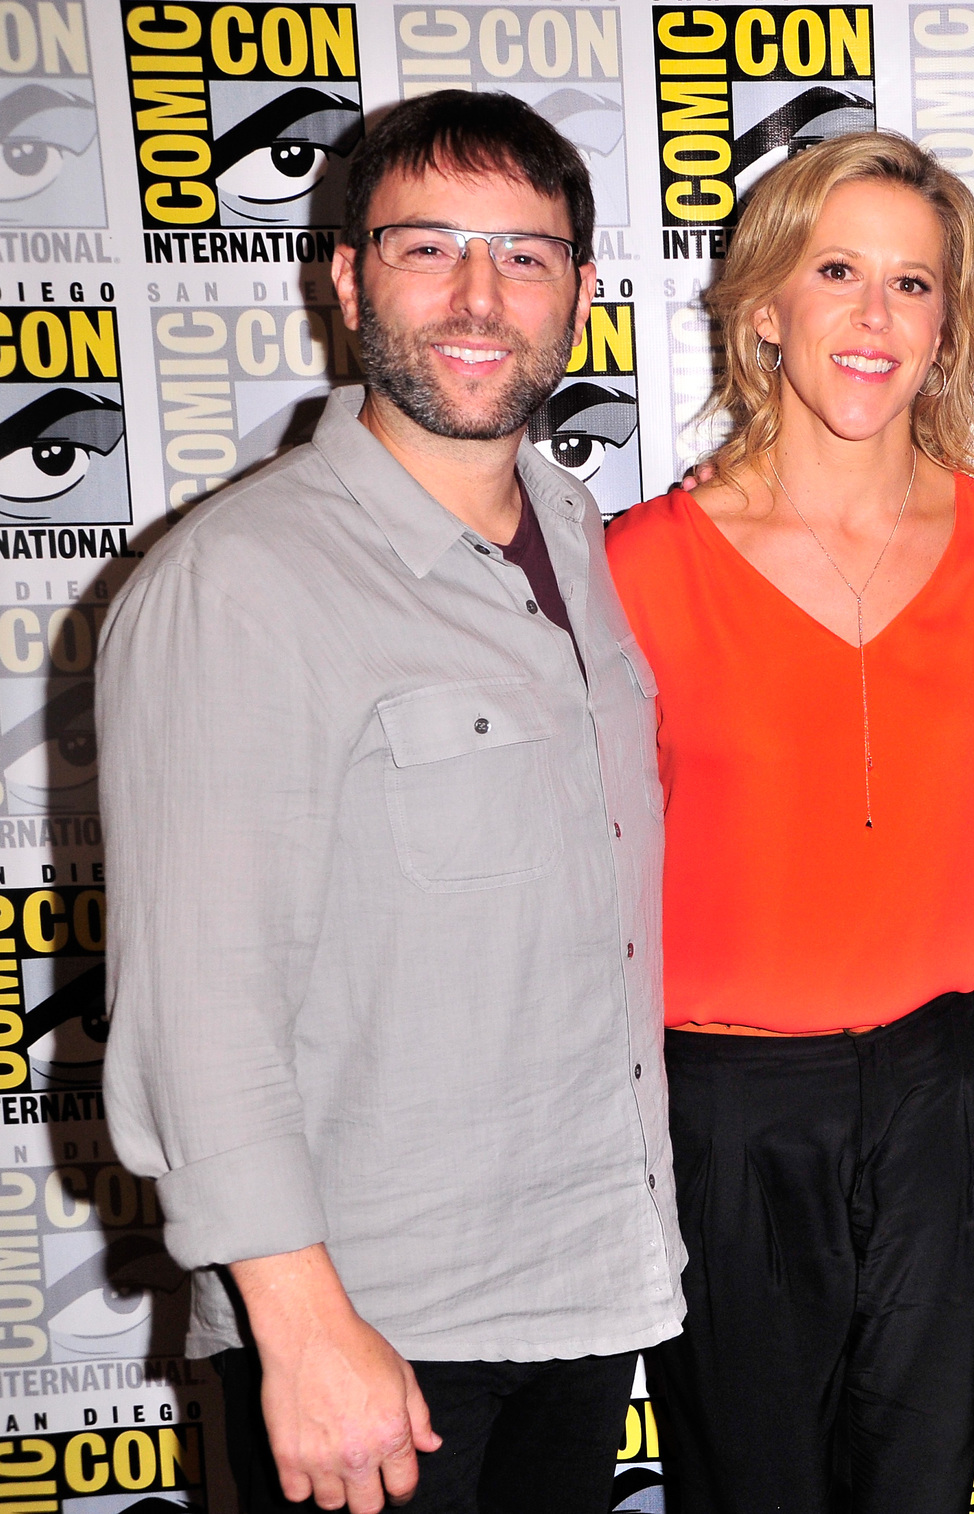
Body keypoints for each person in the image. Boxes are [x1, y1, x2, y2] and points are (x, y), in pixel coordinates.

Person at [98, 92, 683, 1514]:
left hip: (582, 1287)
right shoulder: (240, 583)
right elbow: (201, 1004)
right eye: (430, 249)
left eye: (525, 256)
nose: (480, 297)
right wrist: (301, 1329)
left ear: (582, 294)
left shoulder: (582, 536)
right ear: (350, 275)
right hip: (374, 1323)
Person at [605, 133, 974, 1514]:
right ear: (763, 307)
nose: (876, 318)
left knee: (919, 1487)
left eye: (913, 284)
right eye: (839, 272)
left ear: (947, 322)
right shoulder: (642, 564)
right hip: (727, 1112)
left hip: (947, 1091)